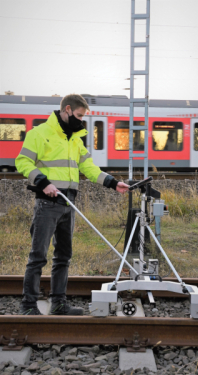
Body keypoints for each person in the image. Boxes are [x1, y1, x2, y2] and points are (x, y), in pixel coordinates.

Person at [15, 94, 129, 316]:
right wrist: (42, 182)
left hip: (69, 204)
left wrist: (113, 183)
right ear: (67, 110)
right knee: (38, 256)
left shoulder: (76, 139)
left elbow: (89, 168)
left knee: (63, 256)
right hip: (47, 204)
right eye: (78, 115)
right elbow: (22, 162)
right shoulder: (39, 134)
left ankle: (58, 303)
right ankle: (28, 306)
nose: (81, 120)